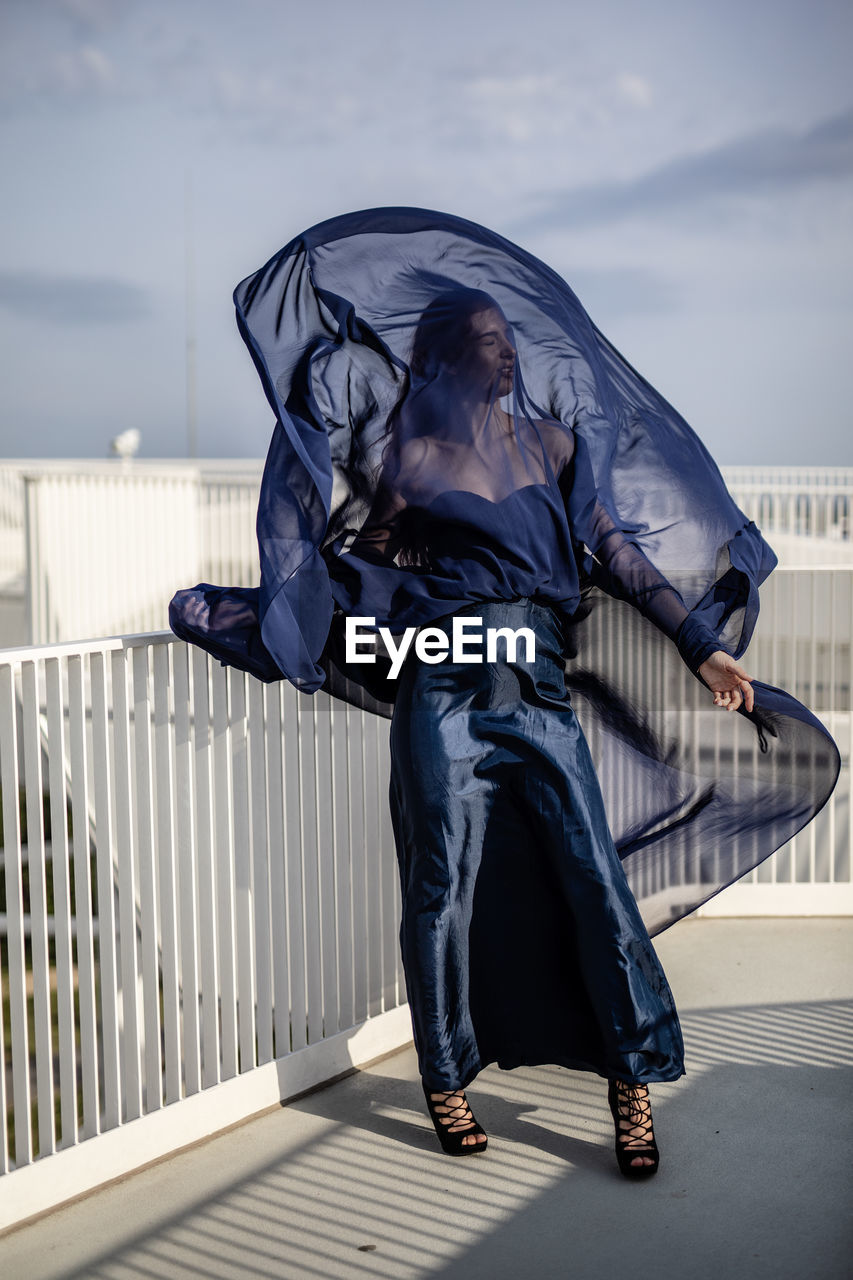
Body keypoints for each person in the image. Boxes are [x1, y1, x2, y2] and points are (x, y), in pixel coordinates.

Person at [170, 207, 839, 1179]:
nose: (504, 352)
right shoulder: (406, 456)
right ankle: (445, 1075)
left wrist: (700, 646)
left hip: (539, 695)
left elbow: (618, 554)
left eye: (506, 336)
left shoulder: (557, 448)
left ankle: (632, 1079)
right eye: (484, 340)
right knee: (438, 885)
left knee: (593, 883)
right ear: (444, 356)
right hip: (438, 694)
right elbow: (356, 555)